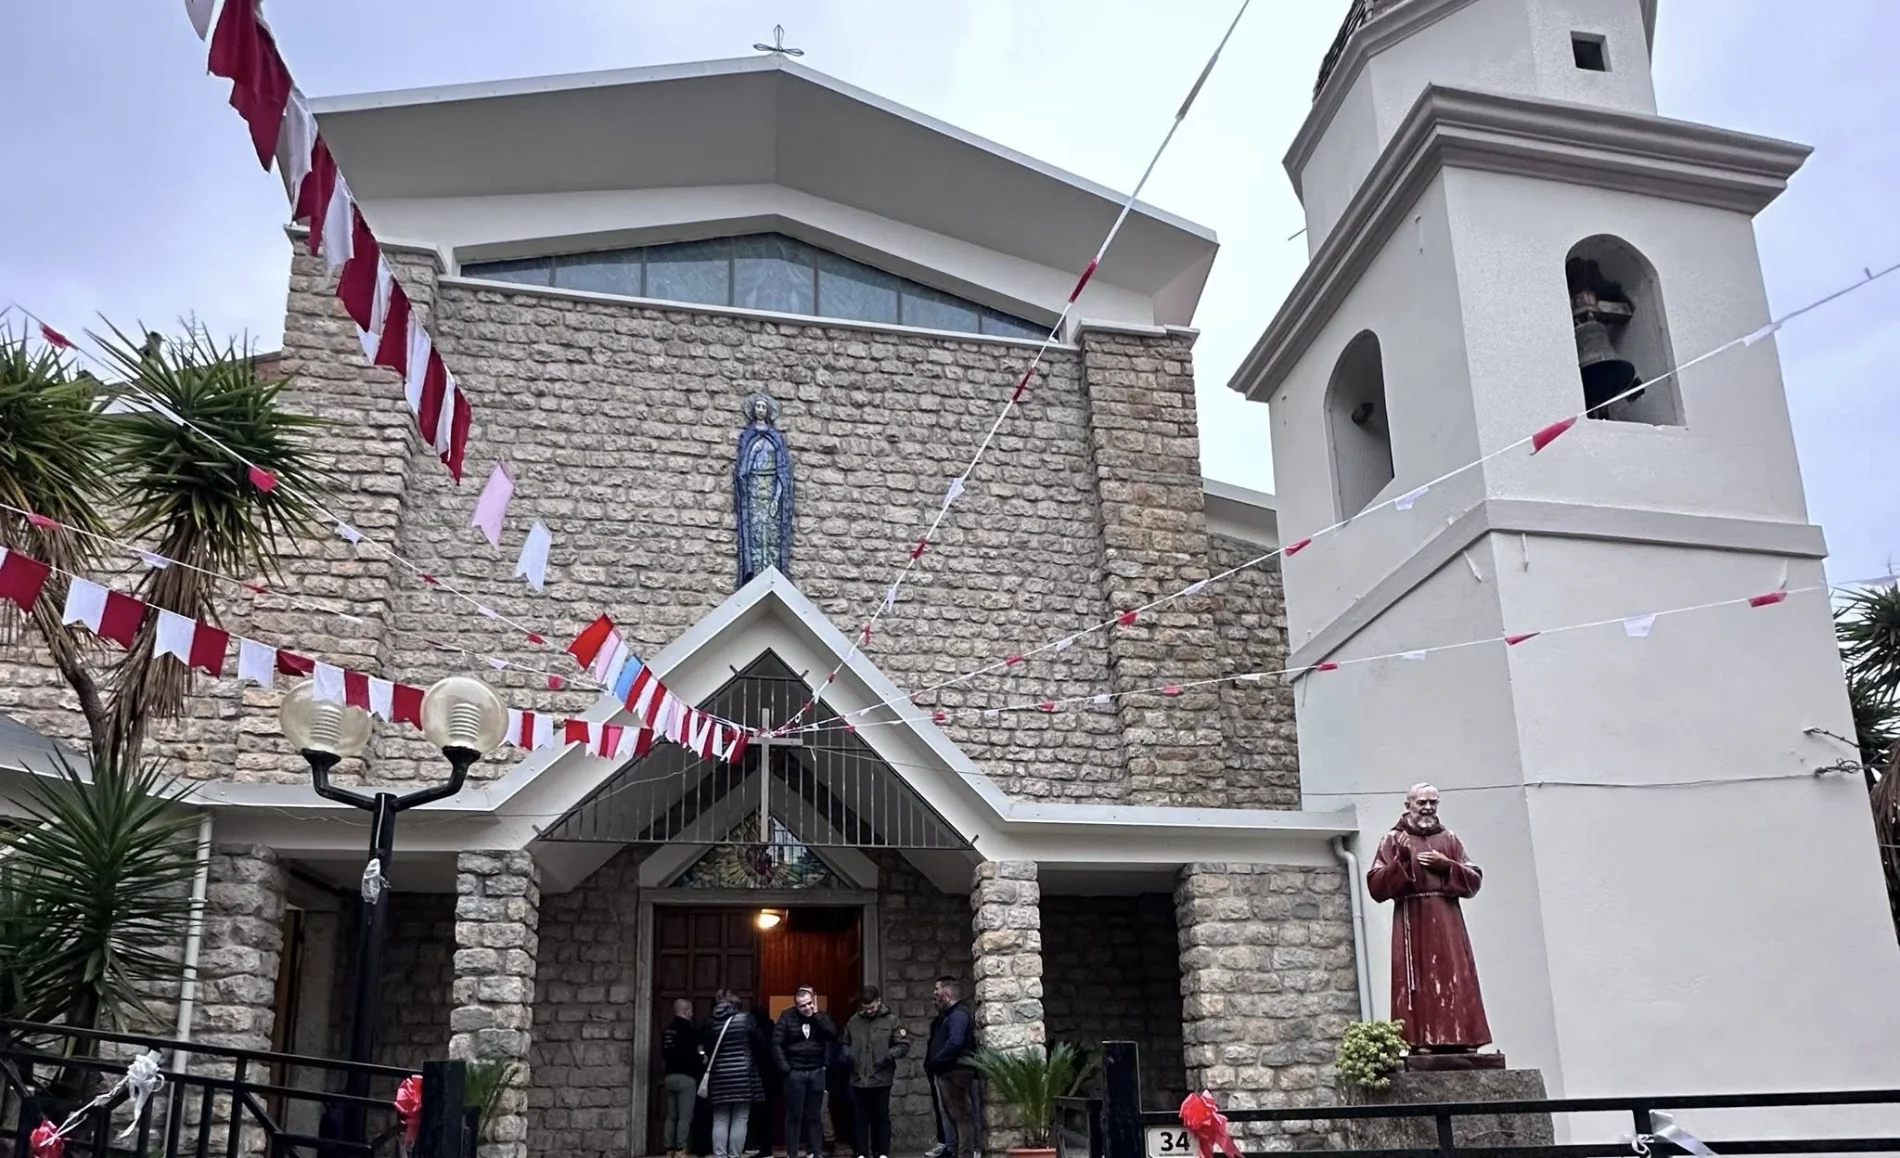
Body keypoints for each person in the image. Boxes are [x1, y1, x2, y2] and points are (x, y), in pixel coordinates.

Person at [1366, 783, 1494, 1052]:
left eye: (1432, 802)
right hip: (1414, 920)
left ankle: (1465, 1038)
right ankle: (1421, 1040)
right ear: (1408, 805)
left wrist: (1447, 866)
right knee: (1419, 979)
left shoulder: (1449, 839)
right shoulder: (1392, 839)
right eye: (1421, 802)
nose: (1427, 808)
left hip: (1448, 919)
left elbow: (1474, 879)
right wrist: (1400, 862)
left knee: (1457, 976)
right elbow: (1376, 886)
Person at [842, 985, 909, 1158]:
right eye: (865, 1009)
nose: (869, 1012)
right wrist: (847, 1054)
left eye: (871, 1008)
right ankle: (862, 1152)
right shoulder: (853, 1021)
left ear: (878, 1001)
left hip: (881, 1077)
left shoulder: (892, 1021)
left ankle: (882, 1153)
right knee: (860, 1120)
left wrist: (887, 1055)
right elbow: (844, 1042)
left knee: (881, 1118)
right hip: (858, 1078)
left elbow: (903, 1045)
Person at [772, 985, 838, 1158]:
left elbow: (832, 1034)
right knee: (794, 1115)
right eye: (803, 1006)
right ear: (797, 1006)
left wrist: (816, 1015)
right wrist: (786, 1069)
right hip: (795, 1072)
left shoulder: (821, 1016)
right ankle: (792, 1153)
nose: (807, 1008)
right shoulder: (787, 1017)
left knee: (815, 1115)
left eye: (809, 1004)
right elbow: (776, 1043)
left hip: (816, 1071)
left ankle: (816, 1152)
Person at [705, 989, 767, 1158]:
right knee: (741, 1118)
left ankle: (720, 1155)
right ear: (736, 1004)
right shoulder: (746, 1019)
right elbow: (761, 1043)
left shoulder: (711, 1022)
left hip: (719, 1076)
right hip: (743, 1076)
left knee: (719, 1118)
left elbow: (708, 1048)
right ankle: (734, 1155)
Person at [925, 977, 977, 1158]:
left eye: (937, 991)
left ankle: (964, 1154)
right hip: (947, 1072)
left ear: (947, 996)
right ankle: (953, 1150)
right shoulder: (947, 1016)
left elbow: (955, 1042)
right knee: (951, 1116)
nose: (934, 995)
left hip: (956, 1071)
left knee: (961, 1117)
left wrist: (938, 1060)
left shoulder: (959, 1015)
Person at [660, 998, 705, 1158]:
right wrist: (702, 1058)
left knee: (671, 1115)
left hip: (669, 1077)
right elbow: (694, 1054)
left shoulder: (667, 1031)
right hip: (686, 1078)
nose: (692, 1014)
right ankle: (681, 1149)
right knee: (684, 1116)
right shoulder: (689, 1031)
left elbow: (664, 1054)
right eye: (691, 1011)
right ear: (686, 1011)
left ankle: (669, 1148)